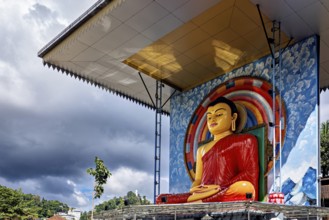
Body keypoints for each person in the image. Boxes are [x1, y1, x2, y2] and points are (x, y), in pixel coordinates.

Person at [156, 97, 259, 204]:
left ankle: (194, 203)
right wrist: (195, 189)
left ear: (233, 117)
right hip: (205, 193)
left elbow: (250, 173)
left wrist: (219, 187)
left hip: (225, 190)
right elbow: (198, 180)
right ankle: (197, 201)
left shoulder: (245, 140)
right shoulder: (202, 149)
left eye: (219, 115)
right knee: (161, 198)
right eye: (209, 117)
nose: (213, 120)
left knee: (245, 188)